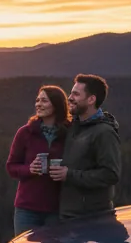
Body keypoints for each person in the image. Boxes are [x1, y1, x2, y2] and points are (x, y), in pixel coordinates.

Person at [50, 74, 121, 220]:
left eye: (76, 94)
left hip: (92, 219)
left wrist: (69, 175)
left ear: (91, 99)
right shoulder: (74, 128)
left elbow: (110, 174)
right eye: (71, 93)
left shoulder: (104, 132)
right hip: (69, 215)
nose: (70, 98)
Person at [5, 85, 70, 235]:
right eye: (37, 100)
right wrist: (30, 169)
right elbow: (11, 167)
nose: (38, 104)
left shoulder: (69, 132)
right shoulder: (25, 133)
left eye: (44, 101)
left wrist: (66, 172)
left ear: (57, 104)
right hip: (27, 210)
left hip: (57, 209)